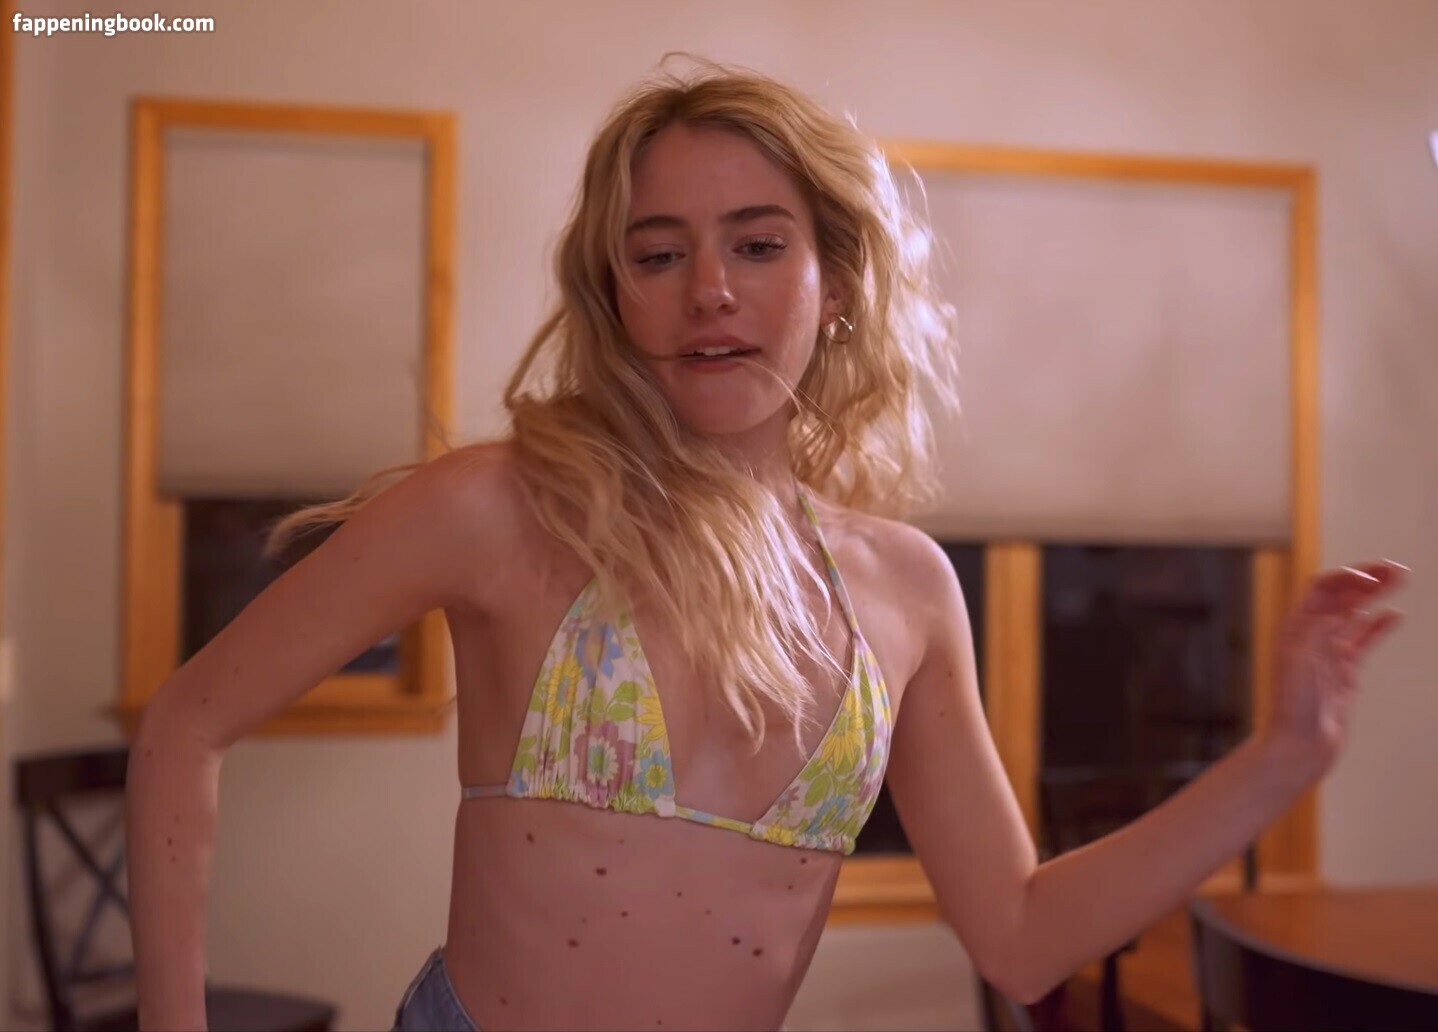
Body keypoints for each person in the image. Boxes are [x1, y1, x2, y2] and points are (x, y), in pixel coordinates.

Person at [126, 55, 1409, 1032]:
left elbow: (1021, 938)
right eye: (658, 253)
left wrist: (1283, 756)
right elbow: (186, 722)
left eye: (757, 243)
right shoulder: (505, 506)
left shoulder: (904, 589)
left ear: (832, 281)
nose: (711, 291)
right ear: (615, 293)